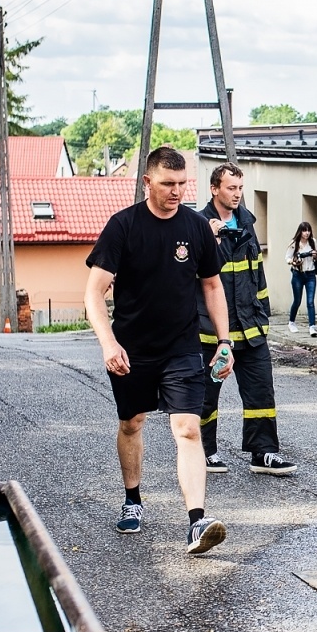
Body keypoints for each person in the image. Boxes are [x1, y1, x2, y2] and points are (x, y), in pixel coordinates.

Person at [84, 146, 230, 554]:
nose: (176, 191)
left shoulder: (196, 227)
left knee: (188, 429)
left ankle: (197, 522)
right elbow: (94, 294)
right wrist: (108, 343)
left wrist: (225, 341)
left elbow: (212, 286)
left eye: (182, 183)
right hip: (131, 350)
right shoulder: (123, 226)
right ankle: (132, 499)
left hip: (182, 347)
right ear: (147, 182)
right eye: (168, 184)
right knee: (132, 423)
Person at [198, 163, 296, 476]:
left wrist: (262, 314)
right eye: (231, 188)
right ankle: (203, 452)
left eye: (240, 188)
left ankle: (263, 453)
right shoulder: (198, 225)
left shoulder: (248, 223)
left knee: (261, 393)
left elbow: (258, 275)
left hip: (251, 327)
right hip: (212, 332)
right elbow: (194, 277)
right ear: (214, 189)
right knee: (206, 396)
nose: (237, 194)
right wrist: (211, 242)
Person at [286, 221, 317, 337]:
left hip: (310, 274)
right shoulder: (294, 243)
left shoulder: (313, 242)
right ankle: (291, 322)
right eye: (304, 230)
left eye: (308, 230)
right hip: (298, 274)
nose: (307, 233)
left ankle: (312, 326)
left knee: (310, 302)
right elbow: (287, 258)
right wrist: (294, 261)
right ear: (300, 232)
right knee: (297, 301)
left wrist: (315, 255)